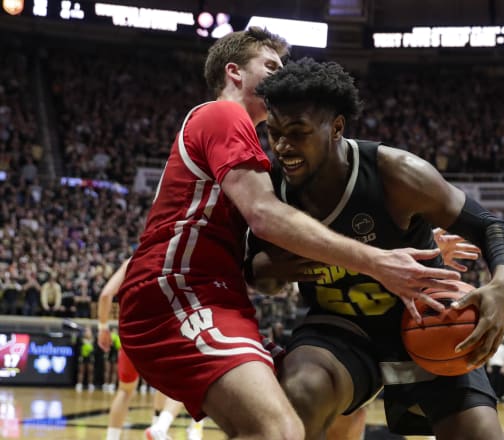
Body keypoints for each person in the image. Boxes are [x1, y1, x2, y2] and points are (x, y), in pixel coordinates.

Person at [117, 27, 459, 440]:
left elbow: (271, 252)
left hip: (219, 295)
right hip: (178, 294)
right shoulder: (222, 114)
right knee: (276, 430)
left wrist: (405, 241)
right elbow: (265, 215)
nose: (281, 76)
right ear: (234, 72)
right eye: (271, 66)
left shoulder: (255, 150)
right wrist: (377, 261)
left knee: (340, 405)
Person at [249, 58, 504, 439]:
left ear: (336, 127)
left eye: (297, 132)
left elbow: (493, 226)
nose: (282, 147)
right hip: (339, 330)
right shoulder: (268, 188)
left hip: (427, 320)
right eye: (274, 133)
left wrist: (503, 285)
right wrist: (275, 270)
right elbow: (259, 277)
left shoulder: (398, 174)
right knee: (301, 391)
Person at [98, 260, 203, 440]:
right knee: (177, 385)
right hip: (159, 332)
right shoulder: (173, 259)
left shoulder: (131, 262)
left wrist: (103, 328)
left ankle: (112, 437)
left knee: (124, 391)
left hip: (131, 333)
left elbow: (106, 295)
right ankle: (160, 426)